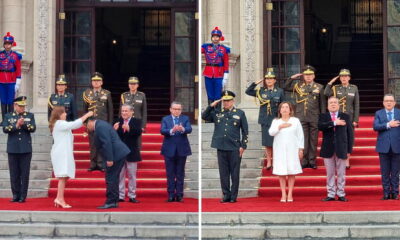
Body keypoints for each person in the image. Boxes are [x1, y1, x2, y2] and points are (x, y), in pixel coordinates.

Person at [202, 90, 248, 203]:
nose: (226, 103)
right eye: (224, 101)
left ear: (233, 101)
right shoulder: (217, 112)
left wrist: (243, 146)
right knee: (224, 173)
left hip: (234, 147)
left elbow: (245, 131)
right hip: (221, 147)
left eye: (228, 101)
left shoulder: (240, 113)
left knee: (235, 173)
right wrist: (211, 105)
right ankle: (226, 195)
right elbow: (204, 116)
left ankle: (233, 196)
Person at [49, 107, 93, 208]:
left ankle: (59, 197)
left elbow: (74, 125)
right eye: (64, 113)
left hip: (64, 152)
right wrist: (87, 115)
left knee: (65, 175)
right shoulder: (59, 123)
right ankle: (59, 198)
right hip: (61, 153)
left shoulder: (61, 124)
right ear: (59, 114)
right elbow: (74, 124)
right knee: (63, 176)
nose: (65, 114)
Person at [285, 65, 326, 169]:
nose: (308, 77)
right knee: (302, 139)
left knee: (313, 140)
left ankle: (312, 160)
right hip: (301, 116)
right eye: (306, 75)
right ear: (303, 76)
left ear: (314, 76)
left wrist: (322, 117)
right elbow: (285, 87)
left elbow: (322, 104)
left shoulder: (319, 87)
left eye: (310, 75)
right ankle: (303, 160)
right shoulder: (298, 86)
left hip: (314, 117)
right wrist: (292, 78)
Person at [86, 118, 130, 209]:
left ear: (90, 122)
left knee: (111, 178)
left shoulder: (100, 126)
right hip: (117, 153)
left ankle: (111, 201)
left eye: (86, 125)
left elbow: (107, 143)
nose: (87, 128)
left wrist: (109, 159)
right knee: (113, 177)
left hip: (115, 154)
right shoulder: (101, 124)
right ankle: (114, 200)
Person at [245, 68, 284, 170]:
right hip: (265, 120)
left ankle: (276, 160)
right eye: (267, 79)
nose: (269, 80)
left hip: (276, 120)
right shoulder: (261, 91)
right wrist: (256, 83)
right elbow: (248, 91)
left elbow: (283, 105)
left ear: (275, 80)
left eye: (271, 78)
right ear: (265, 80)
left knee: (276, 141)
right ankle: (269, 161)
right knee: (267, 142)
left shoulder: (279, 91)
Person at [318, 97, 353, 202]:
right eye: (331, 103)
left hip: (341, 148)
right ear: (328, 106)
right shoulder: (323, 116)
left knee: (341, 173)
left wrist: (349, 150)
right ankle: (331, 194)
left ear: (339, 105)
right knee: (330, 173)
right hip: (328, 148)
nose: (333, 104)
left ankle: (341, 194)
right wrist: (334, 123)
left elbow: (350, 134)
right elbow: (320, 126)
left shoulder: (345, 116)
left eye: (335, 103)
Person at [269, 102, 304, 202]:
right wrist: (280, 127)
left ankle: (290, 194)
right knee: (282, 172)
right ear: (280, 110)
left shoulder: (295, 121)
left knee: (291, 172)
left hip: (293, 150)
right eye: (282, 107)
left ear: (290, 110)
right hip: (280, 150)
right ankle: (283, 194)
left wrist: (300, 149)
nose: (284, 109)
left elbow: (300, 135)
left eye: (286, 107)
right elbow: (271, 133)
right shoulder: (276, 121)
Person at [324, 69, 359, 169]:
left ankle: (347, 158)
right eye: (342, 76)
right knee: (340, 138)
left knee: (349, 138)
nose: (344, 78)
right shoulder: (335, 88)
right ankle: (338, 158)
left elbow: (356, 104)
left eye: (346, 76)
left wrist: (356, 119)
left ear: (349, 77)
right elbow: (326, 93)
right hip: (338, 117)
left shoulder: (354, 88)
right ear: (339, 78)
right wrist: (330, 82)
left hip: (349, 117)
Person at [3, 96, 36, 203]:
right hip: (13, 149)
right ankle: (15, 195)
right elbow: (5, 129)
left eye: (23, 106)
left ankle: (23, 196)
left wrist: (24, 124)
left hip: (25, 149)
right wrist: (16, 125)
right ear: (15, 105)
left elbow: (33, 128)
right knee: (14, 173)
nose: (23, 108)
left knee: (24, 173)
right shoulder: (8, 116)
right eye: (20, 106)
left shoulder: (29, 115)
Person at [160, 101, 192, 202]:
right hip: (169, 149)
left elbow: (189, 129)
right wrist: (172, 130)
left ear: (181, 110)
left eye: (178, 109)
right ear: (170, 109)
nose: (176, 111)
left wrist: (182, 129)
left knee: (180, 173)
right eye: (174, 109)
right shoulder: (166, 119)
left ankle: (179, 194)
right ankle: (170, 194)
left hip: (182, 149)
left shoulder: (185, 118)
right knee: (170, 173)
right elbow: (162, 130)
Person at [83, 72, 113, 172]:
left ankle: (101, 164)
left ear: (102, 82)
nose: (96, 83)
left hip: (103, 123)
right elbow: (85, 109)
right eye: (94, 81)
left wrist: (110, 124)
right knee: (92, 144)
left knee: (102, 143)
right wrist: (86, 122)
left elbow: (110, 110)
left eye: (98, 81)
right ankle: (93, 163)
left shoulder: (107, 93)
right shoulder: (87, 93)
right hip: (91, 123)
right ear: (91, 82)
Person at [373, 94, 400, 200]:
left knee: (395, 172)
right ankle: (386, 193)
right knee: (385, 172)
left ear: (394, 102)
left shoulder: (399, 113)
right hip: (383, 146)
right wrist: (389, 124)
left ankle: (395, 193)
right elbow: (376, 126)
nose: (388, 103)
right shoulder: (379, 113)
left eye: (391, 101)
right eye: (386, 101)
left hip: (397, 145)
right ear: (383, 103)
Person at [114, 104, 142, 203]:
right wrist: (114, 130)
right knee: (120, 175)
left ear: (131, 112)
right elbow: (114, 137)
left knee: (131, 175)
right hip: (120, 153)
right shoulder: (117, 121)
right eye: (123, 111)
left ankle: (132, 195)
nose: (124, 113)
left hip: (132, 152)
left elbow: (138, 132)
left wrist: (129, 129)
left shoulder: (136, 121)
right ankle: (120, 196)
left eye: (126, 111)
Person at [202, 27, 230, 104]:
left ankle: (217, 113)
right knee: (210, 94)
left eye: (217, 37)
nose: (215, 38)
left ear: (220, 38)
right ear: (211, 38)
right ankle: (210, 113)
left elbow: (226, 62)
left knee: (218, 95)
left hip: (219, 74)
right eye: (214, 37)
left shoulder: (224, 49)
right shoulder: (206, 47)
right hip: (208, 73)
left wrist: (226, 74)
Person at [0, 32, 22, 121]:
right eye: (6, 44)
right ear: (4, 44)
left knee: (10, 101)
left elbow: (18, 69)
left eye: (9, 44)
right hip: (1, 81)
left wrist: (18, 82)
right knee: (3, 100)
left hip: (11, 81)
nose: (7, 46)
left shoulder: (16, 56)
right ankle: (4, 120)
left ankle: (10, 119)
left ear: (12, 45)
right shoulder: (0, 55)